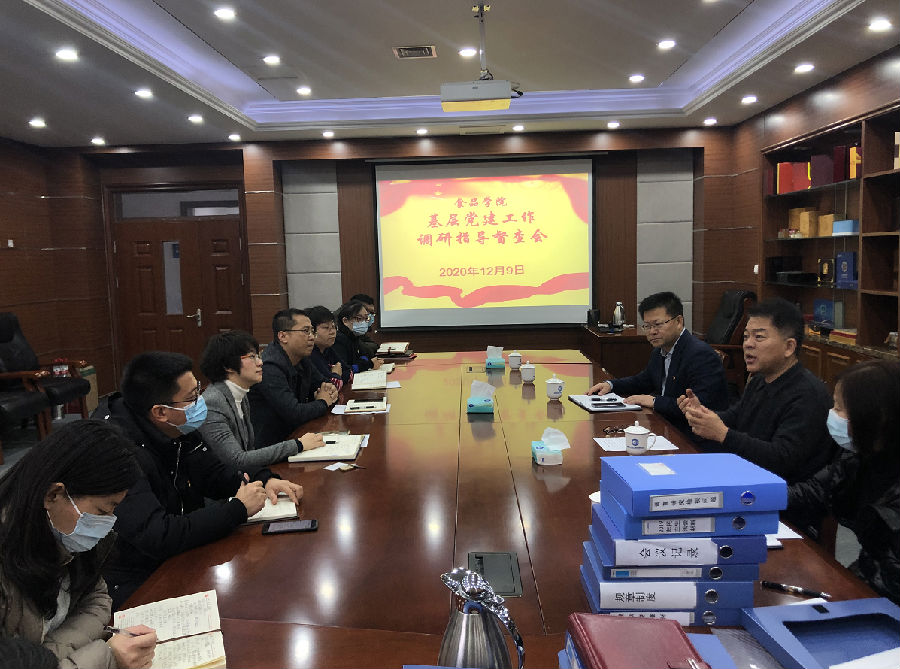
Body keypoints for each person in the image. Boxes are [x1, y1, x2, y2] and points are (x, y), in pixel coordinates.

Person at [102, 352, 302, 609]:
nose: (200, 403)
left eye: (199, 390)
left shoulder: (177, 426)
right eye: (192, 398)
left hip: (185, 550)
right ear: (160, 412)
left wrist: (264, 479)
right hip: (140, 576)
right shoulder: (116, 453)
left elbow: (213, 474)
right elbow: (157, 535)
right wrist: (236, 509)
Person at [0, 420, 157, 668]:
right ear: (53, 495)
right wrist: (107, 657)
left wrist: (52, 655)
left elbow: (97, 597)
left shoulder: (65, 533)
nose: (108, 522)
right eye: (102, 511)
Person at [679, 297, 834, 483]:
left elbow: (782, 459)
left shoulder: (808, 394)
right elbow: (735, 417)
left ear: (789, 347)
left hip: (784, 493)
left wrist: (723, 434)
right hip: (749, 476)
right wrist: (702, 414)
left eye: (759, 337)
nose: (748, 344)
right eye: (746, 336)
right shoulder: (759, 380)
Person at [785, 360, 899, 604]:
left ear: (876, 416)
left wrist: (845, 592)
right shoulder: (858, 457)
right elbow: (815, 491)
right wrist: (754, 497)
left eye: (839, 408)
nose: (832, 415)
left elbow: (891, 577)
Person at [586, 291, 728, 443]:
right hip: (666, 429)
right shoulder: (660, 351)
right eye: (647, 326)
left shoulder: (700, 355)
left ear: (679, 321)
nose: (652, 331)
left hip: (694, 438)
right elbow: (643, 380)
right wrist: (611, 385)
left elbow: (699, 406)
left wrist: (654, 401)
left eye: (658, 325)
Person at [199, 330, 325, 468]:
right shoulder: (213, 402)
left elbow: (249, 449)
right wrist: (298, 444)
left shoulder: (240, 393)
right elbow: (237, 459)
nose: (260, 362)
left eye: (258, 356)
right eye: (252, 357)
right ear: (228, 366)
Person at [248, 309, 339, 447]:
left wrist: (329, 392)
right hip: (273, 446)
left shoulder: (302, 358)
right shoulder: (269, 367)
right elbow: (294, 413)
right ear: (283, 336)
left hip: (298, 436)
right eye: (305, 331)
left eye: (312, 331)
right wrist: (323, 402)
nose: (311, 337)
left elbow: (325, 384)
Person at [333, 300, 382, 375]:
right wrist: (369, 364)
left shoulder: (354, 336)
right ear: (345, 321)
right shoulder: (339, 340)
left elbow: (364, 356)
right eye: (359, 318)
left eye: (366, 318)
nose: (363, 322)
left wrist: (366, 362)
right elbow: (345, 370)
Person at [306, 305, 347, 384]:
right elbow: (330, 386)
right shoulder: (311, 353)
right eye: (326, 328)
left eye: (333, 327)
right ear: (312, 331)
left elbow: (349, 372)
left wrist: (335, 376)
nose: (332, 332)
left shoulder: (327, 348)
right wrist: (336, 374)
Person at [348, 293, 379, 358]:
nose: (368, 315)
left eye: (372, 313)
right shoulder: (341, 330)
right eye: (367, 311)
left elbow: (374, 346)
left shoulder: (361, 330)